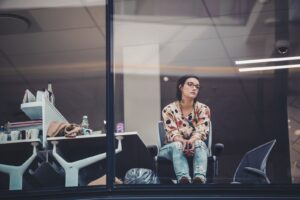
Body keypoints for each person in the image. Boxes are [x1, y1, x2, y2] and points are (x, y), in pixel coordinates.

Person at [158, 75, 211, 184]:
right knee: (178, 145)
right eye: (190, 84)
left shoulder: (203, 109)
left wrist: (191, 141)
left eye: (197, 86)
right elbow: (172, 133)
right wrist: (183, 142)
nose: (194, 88)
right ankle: (184, 180)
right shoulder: (169, 109)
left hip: (196, 147)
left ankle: (199, 179)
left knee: (199, 143)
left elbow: (201, 131)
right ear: (181, 87)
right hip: (171, 149)